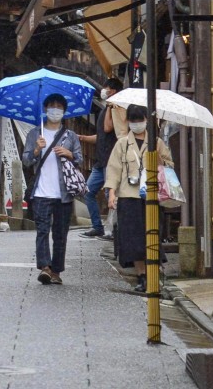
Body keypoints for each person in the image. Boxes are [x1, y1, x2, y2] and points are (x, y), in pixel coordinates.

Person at [104, 104, 174, 292]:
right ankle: (141, 276)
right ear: (128, 122)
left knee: (152, 235)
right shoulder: (122, 143)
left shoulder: (157, 142)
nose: (136, 124)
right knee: (133, 238)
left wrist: (159, 158)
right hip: (128, 195)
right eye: (133, 121)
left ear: (146, 120)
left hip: (151, 195)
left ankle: (154, 275)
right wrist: (111, 193)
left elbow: (169, 166)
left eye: (139, 120)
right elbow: (114, 170)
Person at [20, 93, 83, 285]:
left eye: (59, 107)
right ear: (46, 109)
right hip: (41, 191)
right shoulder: (34, 134)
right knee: (42, 230)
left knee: (60, 233)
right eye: (51, 106)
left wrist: (69, 153)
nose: (55, 110)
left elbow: (80, 159)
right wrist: (37, 150)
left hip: (63, 193)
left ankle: (56, 271)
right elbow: (26, 160)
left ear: (64, 112)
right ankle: (45, 267)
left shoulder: (70, 136)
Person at [77, 77, 128, 238]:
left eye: (107, 88)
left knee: (110, 195)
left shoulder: (118, 108)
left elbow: (107, 128)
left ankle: (115, 229)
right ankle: (97, 226)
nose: (104, 91)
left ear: (113, 91)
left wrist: (109, 106)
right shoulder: (108, 108)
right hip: (100, 160)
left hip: (112, 159)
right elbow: (100, 136)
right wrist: (84, 138)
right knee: (88, 192)